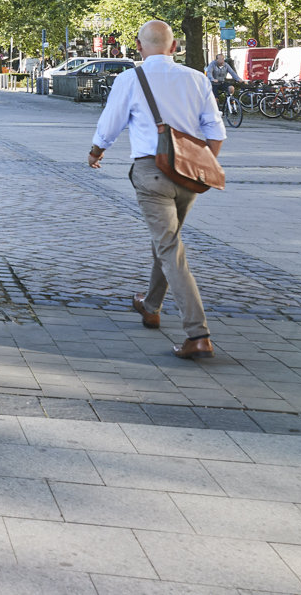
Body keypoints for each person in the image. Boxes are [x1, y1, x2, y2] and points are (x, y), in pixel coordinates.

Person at [88, 20, 226, 361]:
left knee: (169, 248)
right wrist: (202, 164)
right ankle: (150, 306)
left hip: (152, 173)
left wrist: (96, 150)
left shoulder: (130, 79)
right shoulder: (197, 78)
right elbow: (215, 129)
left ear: (138, 45)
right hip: (189, 176)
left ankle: (198, 334)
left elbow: (111, 121)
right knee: (166, 241)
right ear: (174, 46)